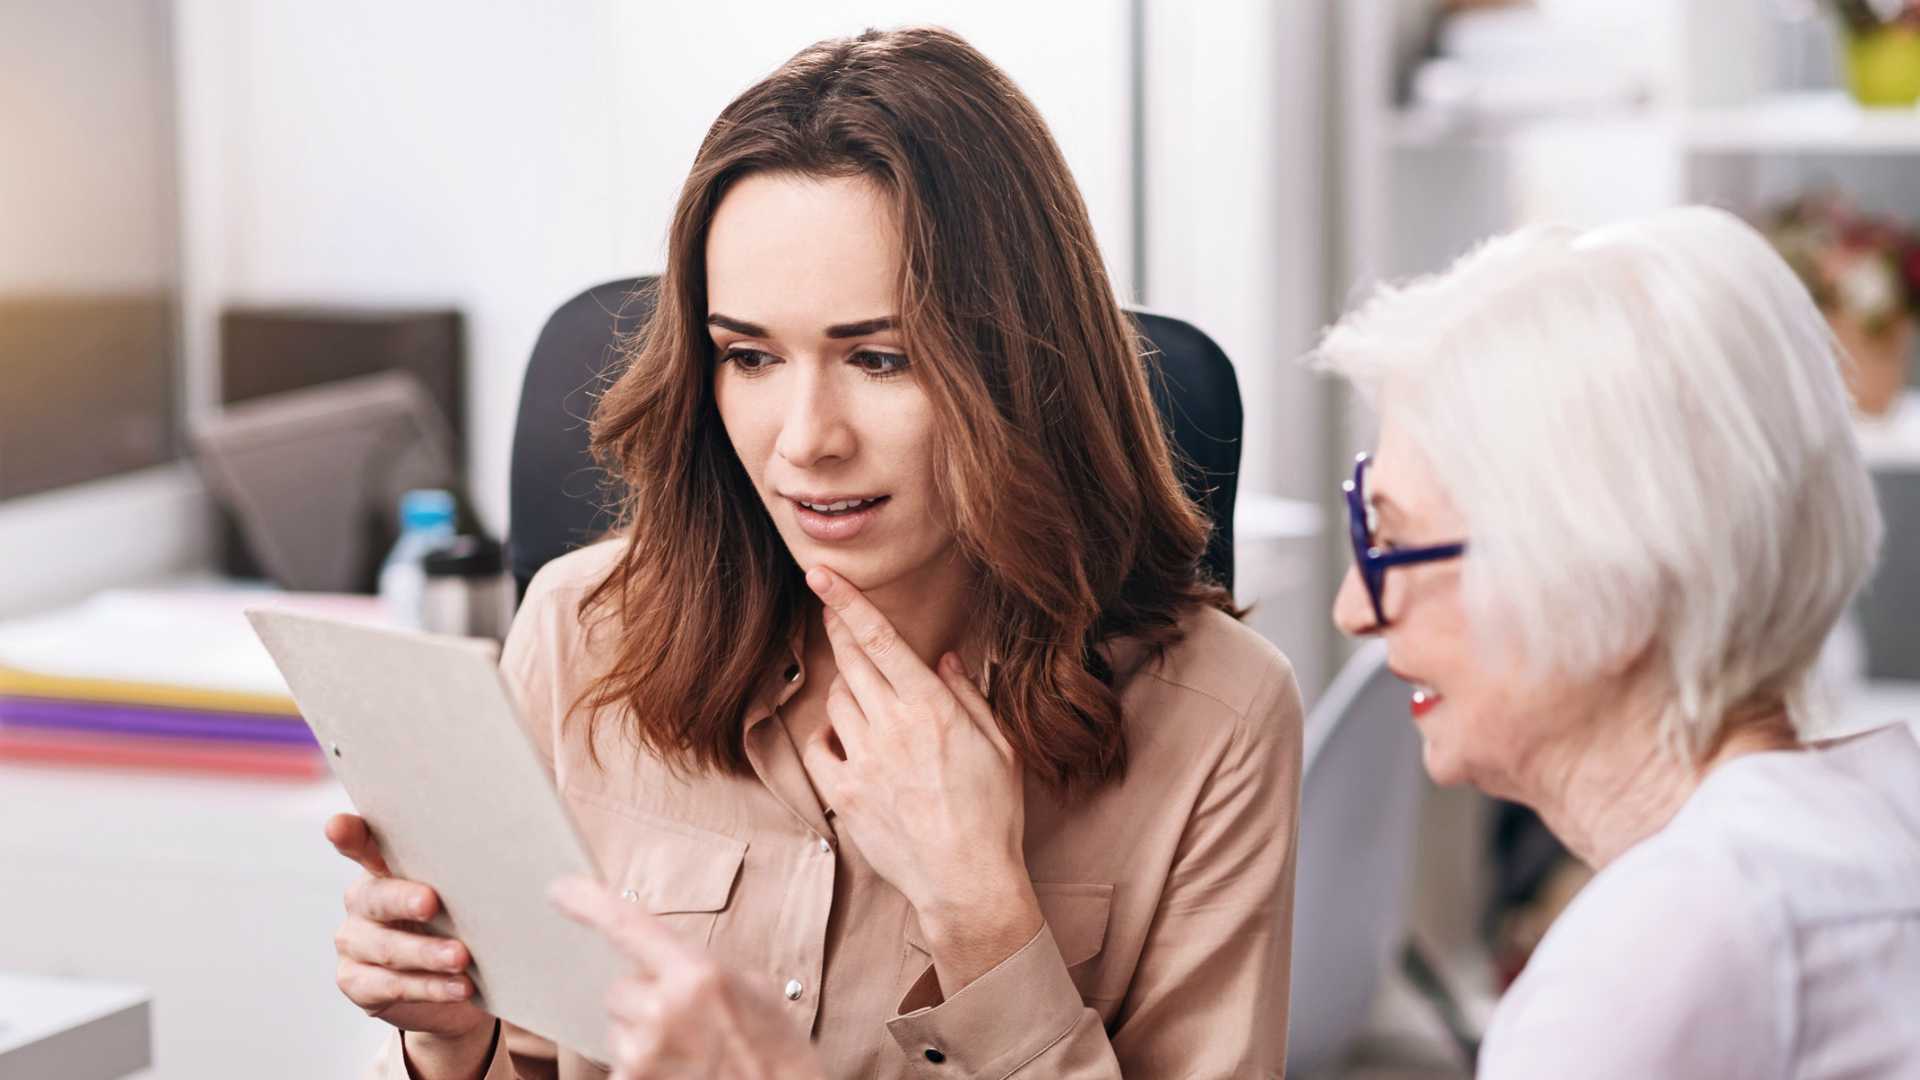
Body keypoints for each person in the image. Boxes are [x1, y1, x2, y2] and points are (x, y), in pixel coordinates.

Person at [324, 25, 1303, 1079]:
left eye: (880, 359)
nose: (804, 441)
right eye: (749, 355)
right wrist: (446, 1045)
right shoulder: (576, 633)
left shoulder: (1219, 720)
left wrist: (983, 912)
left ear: (1023, 368)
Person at [1319, 205, 1920, 1078]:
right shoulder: (1869, 828)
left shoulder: (1670, 943)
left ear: (1615, 576)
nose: (1354, 609)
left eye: (1395, 542)